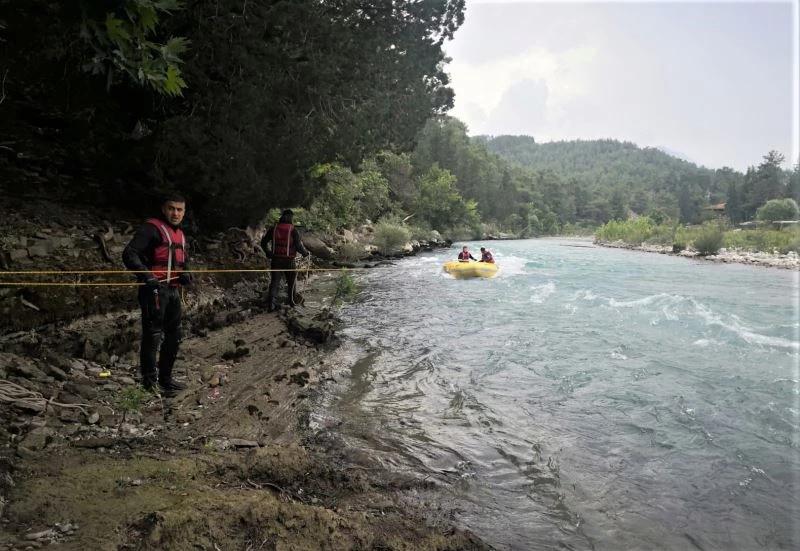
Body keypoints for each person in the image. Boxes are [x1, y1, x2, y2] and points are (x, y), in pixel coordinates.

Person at [122, 194, 193, 396]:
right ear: (164, 209)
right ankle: (149, 384)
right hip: (154, 290)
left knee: (174, 335)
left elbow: (184, 261)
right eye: (171, 208)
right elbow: (129, 253)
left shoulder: (180, 234)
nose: (175, 213)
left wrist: (187, 275)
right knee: (153, 336)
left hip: (172, 290)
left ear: (184, 212)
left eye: (179, 210)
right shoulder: (151, 229)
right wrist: (146, 275)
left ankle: (166, 379)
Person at [261, 209, 311, 312]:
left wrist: (268, 252)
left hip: (276, 259)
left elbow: (263, 242)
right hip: (289, 260)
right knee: (291, 282)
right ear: (291, 218)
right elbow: (298, 246)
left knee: (275, 282)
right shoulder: (293, 230)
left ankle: (271, 305)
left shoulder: (274, 229)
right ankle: (292, 302)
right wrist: (305, 253)